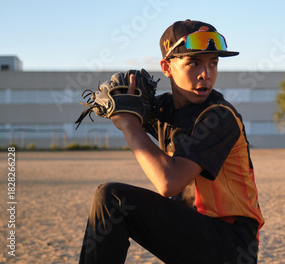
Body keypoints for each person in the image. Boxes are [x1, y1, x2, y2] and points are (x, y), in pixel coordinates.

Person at [79, 19, 265, 264]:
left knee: (112, 198)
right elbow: (130, 107)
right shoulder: (164, 109)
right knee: (112, 204)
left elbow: (168, 183)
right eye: (193, 62)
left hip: (231, 245)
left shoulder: (219, 116)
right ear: (166, 67)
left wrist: (128, 124)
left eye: (213, 63)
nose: (206, 74)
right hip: (195, 231)